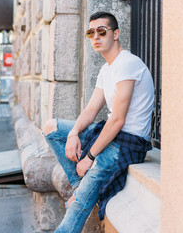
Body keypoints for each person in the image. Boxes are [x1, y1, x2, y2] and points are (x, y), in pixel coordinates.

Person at [43, 12, 154, 232]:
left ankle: (81, 193)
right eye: (90, 32)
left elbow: (118, 120)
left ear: (116, 34)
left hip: (127, 144)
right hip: (112, 135)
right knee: (51, 128)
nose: (96, 36)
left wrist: (90, 157)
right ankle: (79, 185)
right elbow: (91, 109)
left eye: (101, 31)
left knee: (77, 206)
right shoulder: (107, 68)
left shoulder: (128, 64)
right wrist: (73, 133)